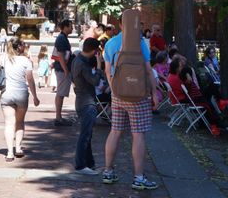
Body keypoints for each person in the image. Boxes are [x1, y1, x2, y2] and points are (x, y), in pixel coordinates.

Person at [100, 20, 159, 190]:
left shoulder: (111, 43)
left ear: (120, 25)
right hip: (138, 96)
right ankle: (139, 177)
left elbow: (107, 71)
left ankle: (108, 172)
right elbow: (148, 71)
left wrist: (114, 90)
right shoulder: (140, 43)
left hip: (118, 94)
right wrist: (154, 93)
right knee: (138, 134)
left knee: (115, 131)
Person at [0, 38, 39, 161]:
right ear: (20, 47)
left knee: (9, 123)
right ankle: (18, 148)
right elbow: (30, 79)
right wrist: (35, 96)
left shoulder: (4, 58)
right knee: (20, 122)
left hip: (6, 93)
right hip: (21, 93)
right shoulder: (25, 61)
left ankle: (10, 153)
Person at [71, 37, 102, 174]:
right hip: (87, 102)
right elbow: (94, 81)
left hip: (81, 100)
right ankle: (81, 165)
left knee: (87, 134)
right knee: (85, 135)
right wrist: (99, 67)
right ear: (94, 51)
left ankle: (89, 163)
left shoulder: (76, 59)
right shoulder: (83, 64)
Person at [52, 19, 75, 126]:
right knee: (60, 93)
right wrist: (66, 70)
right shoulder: (61, 38)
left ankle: (59, 117)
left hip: (62, 69)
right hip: (62, 70)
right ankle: (58, 118)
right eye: (70, 26)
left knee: (61, 93)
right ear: (65, 27)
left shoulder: (63, 37)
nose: (72, 28)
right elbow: (61, 56)